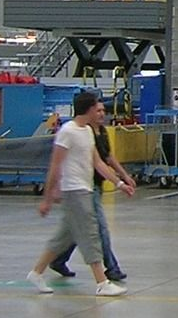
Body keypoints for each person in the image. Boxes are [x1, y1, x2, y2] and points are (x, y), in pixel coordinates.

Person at [26, 92, 135, 297]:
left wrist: (119, 183)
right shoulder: (68, 132)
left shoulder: (87, 131)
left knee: (62, 238)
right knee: (90, 234)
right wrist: (47, 199)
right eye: (98, 108)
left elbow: (98, 163)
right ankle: (102, 282)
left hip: (86, 188)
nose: (101, 113)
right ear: (89, 109)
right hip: (74, 191)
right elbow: (55, 166)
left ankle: (36, 272)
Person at [48, 118, 133, 282]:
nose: (101, 114)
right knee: (98, 230)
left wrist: (122, 179)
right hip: (82, 188)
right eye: (98, 110)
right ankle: (110, 270)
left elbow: (105, 159)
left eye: (102, 110)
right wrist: (52, 191)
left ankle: (55, 261)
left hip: (94, 186)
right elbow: (57, 163)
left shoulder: (98, 132)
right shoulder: (73, 131)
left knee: (73, 230)